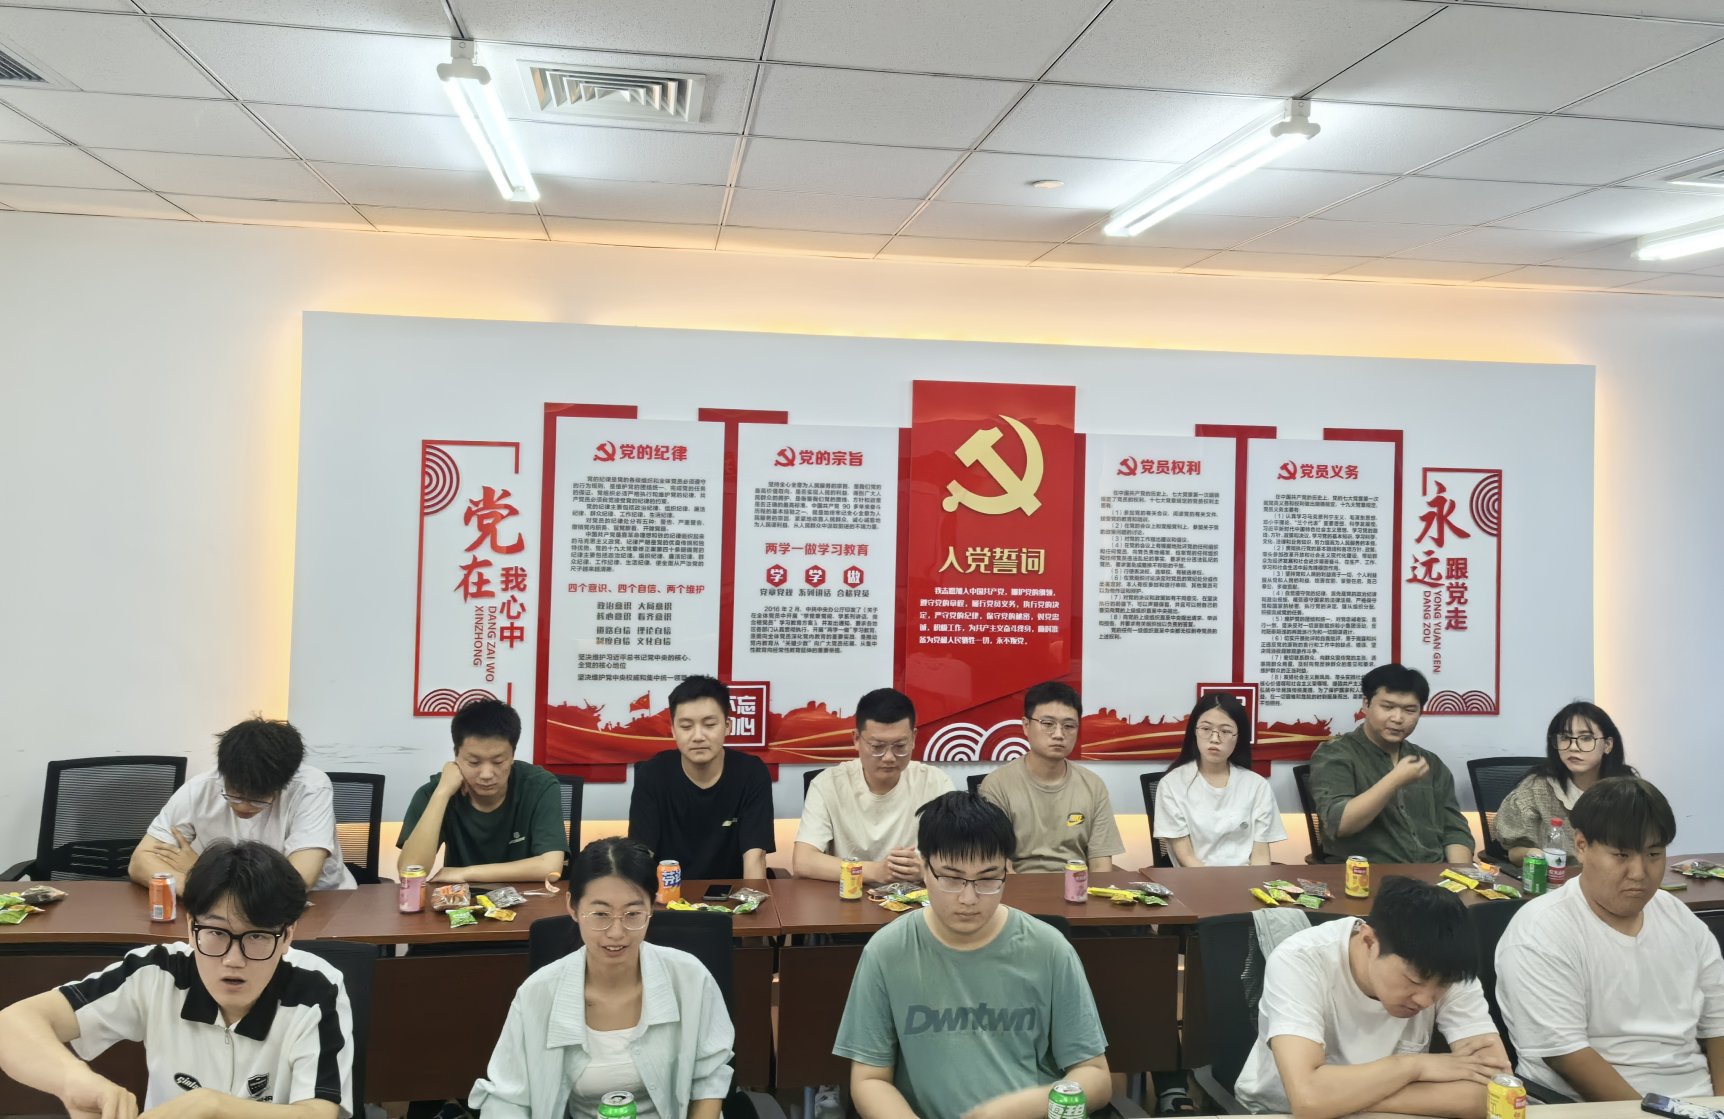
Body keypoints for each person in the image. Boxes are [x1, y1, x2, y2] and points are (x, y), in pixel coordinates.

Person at [0, 841, 354, 1119]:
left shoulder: (316, 987)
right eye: (215, 932)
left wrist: (214, 1107)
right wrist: (75, 1082)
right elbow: (12, 1024)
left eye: (257, 936)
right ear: (190, 927)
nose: (233, 960)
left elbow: (319, 1112)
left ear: (288, 935)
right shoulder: (157, 972)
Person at [834, 791, 1111, 1119]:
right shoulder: (887, 951)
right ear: (925, 869)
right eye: (951, 878)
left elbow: (1095, 1077)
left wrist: (1010, 1111)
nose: (968, 898)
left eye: (988, 879)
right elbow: (870, 1080)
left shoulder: (1049, 949)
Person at [1495, 776, 1724, 1101]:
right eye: (1621, 855)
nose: (1639, 872)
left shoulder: (1679, 917)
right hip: (1593, 1107)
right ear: (1581, 846)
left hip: (1696, 1102)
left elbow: (1718, 1022)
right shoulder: (1541, 930)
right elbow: (1567, 1055)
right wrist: (1653, 1113)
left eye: (1654, 854)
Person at [471, 837, 733, 1119]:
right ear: (573, 907)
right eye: (600, 914)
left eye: (633, 913)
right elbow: (507, 1098)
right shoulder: (538, 992)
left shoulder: (689, 977)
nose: (616, 932)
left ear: (651, 908)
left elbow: (709, 1078)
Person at [1234, 875, 1510, 1118]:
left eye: (1442, 988)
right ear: (1369, 941)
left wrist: (1339, 1098)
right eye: (1414, 981)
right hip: (1277, 1112)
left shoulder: (1450, 969)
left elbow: (1496, 1091)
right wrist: (1413, 1067)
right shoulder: (1300, 961)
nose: (1426, 1000)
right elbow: (1308, 1100)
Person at [130, 716, 354, 893]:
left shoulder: (310, 788)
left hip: (321, 902)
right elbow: (140, 862)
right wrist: (201, 887)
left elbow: (298, 882)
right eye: (234, 795)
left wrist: (202, 873)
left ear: (284, 783)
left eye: (258, 799)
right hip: (223, 911)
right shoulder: (200, 788)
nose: (244, 807)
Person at [1308, 664, 1473, 865]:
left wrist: (1460, 874)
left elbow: (1454, 830)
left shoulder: (1430, 762)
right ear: (1366, 704)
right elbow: (1339, 824)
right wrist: (1395, 779)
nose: (1398, 718)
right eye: (1387, 707)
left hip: (1433, 874)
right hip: (1365, 874)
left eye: (1409, 710)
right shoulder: (1335, 754)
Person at [399, 698, 568, 884]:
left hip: (527, 898)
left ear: (513, 755)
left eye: (498, 762)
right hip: (460, 900)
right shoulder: (434, 791)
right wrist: (442, 793)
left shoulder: (539, 785)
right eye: (474, 762)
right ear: (456, 755)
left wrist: (465, 873)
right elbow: (410, 871)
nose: (486, 774)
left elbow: (551, 867)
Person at [793, 687, 953, 884]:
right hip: (849, 896)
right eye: (877, 747)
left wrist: (925, 870)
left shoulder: (936, 783)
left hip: (916, 898)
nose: (889, 757)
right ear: (856, 739)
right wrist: (875, 871)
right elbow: (803, 861)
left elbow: (961, 855)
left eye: (900, 746)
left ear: (913, 739)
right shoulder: (828, 784)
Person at [630, 675, 774, 881]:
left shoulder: (751, 773)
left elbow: (755, 857)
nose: (698, 736)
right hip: (667, 894)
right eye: (686, 726)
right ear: (673, 730)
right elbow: (641, 857)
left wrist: (750, 899)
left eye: (709, 724)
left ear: (727, 726)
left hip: (733, 894)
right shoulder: (652, 774)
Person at [979, 681, 1124, 873]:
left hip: (1077, 885)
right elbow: (997, 865)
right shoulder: (997, 785)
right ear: (1026, 726)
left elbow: (1100, 864)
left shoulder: (1093, 785)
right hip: (1019, 886)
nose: (1059, 734)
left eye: (1069, 726)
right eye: (1048, 724)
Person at [1493, 701, 1633, 867]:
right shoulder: (1537, 788)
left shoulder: (1629, 792)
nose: (1573, 747)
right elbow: (1514, 850)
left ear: (1608, 745)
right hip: (1553, 878)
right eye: (1565, 738)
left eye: (1586, 738)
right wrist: (1536, 855)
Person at [1154, 694, 1286, 867]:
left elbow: (1261, 856)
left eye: (1225, 731)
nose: (1214, 739)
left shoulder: (1257, 785)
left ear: (1238, 736)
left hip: (1247, 880)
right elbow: (1186, 857)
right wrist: (1216, 884)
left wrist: (1257, 883)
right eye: (1206, 729)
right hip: (1195, 880)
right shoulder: (1172, 784)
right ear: (1194, 731)